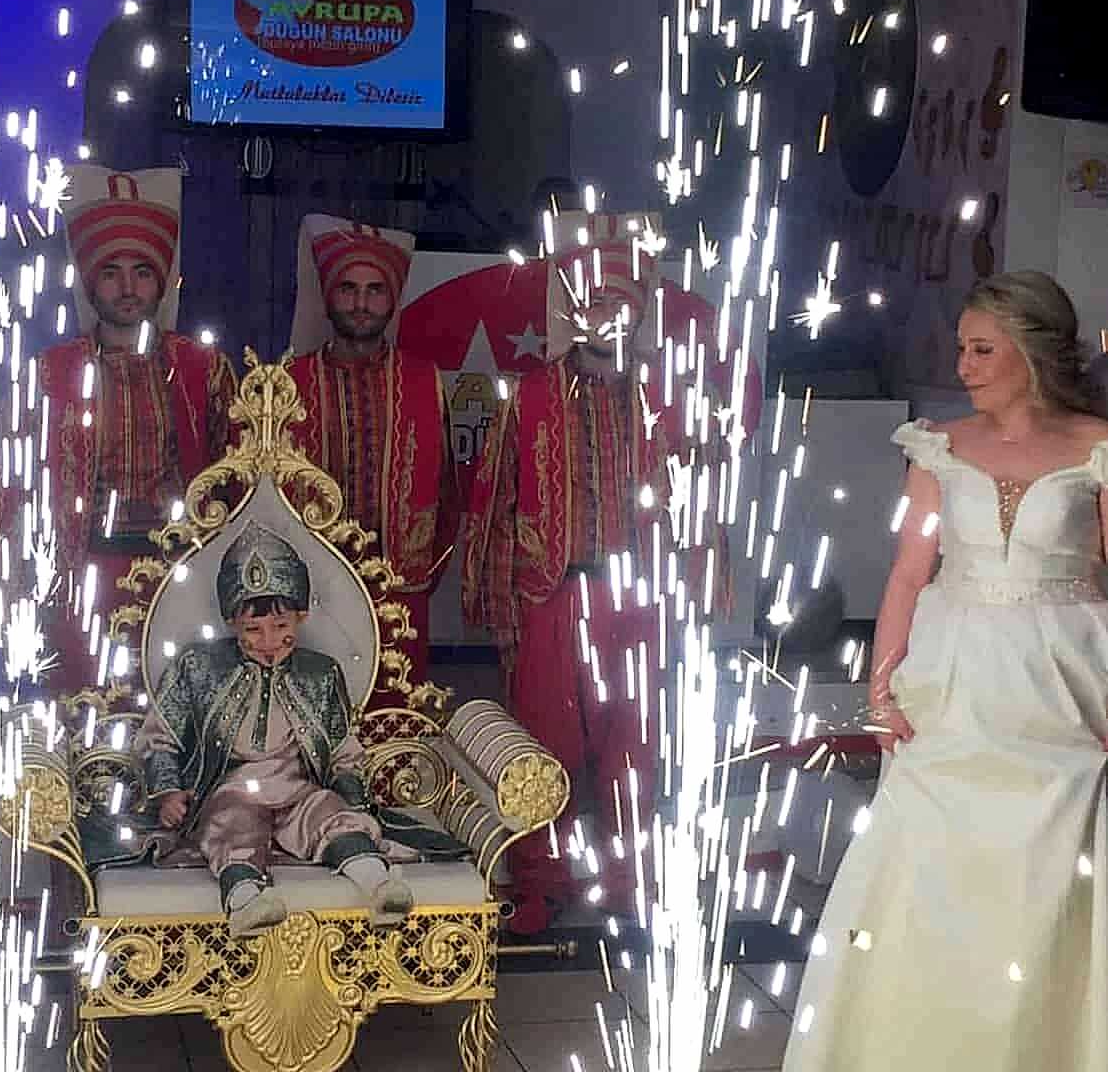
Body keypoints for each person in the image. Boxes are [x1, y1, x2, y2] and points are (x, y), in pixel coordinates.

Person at [784, 269, 1108, 1071]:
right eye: (962, 348)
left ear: (1032, 351)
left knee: (1053, 874)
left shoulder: (1099, 449)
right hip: (953, 680)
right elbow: (906, 575)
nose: (963, 366)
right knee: (928, 862)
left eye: (982, 349)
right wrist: (881, 691)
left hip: (1065, 683)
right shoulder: (937, 446)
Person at [463, 214, 726, 935]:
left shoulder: (663, 401)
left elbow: (701, 503)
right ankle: (538, 879)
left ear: (636, 314)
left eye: (617, 303)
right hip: (553, 591)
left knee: (633, 742)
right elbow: (494, 503)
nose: (603, 315)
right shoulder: (529, 395)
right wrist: (500, 607)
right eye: (591, 302)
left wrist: (697, 588)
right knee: (541, 739)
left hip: (640, 595)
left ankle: (626, 877)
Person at [100, 521, 462, 937]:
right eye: (253, 629)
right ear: (232, 622)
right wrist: (168, 791)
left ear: (301, 617)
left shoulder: (320, 673)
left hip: (297, 791)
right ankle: (246, 901)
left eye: (281, 626)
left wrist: (352, 798)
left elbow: (342, 749)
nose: (269, 640)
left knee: (331, 814)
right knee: (232, 826)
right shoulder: (198, 667)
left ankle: (379, 885)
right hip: (230, 792)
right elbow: (159, 737)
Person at [38, 166, 236, 696]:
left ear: (162, 279)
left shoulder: (201, 367)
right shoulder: (52, 371)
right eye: (111, 272)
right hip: (83, 574)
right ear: (88, 280)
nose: (128, 288)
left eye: (142, 272)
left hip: (178, 573)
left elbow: (233, 478)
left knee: (174, 712)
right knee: (85, 710)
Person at [287, 215, 458, 701]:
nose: (361, 304)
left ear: (392, 298)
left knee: (398, 717)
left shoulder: (424, 381)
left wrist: (418, 573)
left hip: (399, 593)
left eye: (375, 290)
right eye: (348, 288)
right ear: (328, 295)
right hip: (310, 594)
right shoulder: (291, 381)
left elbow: (448, 495)